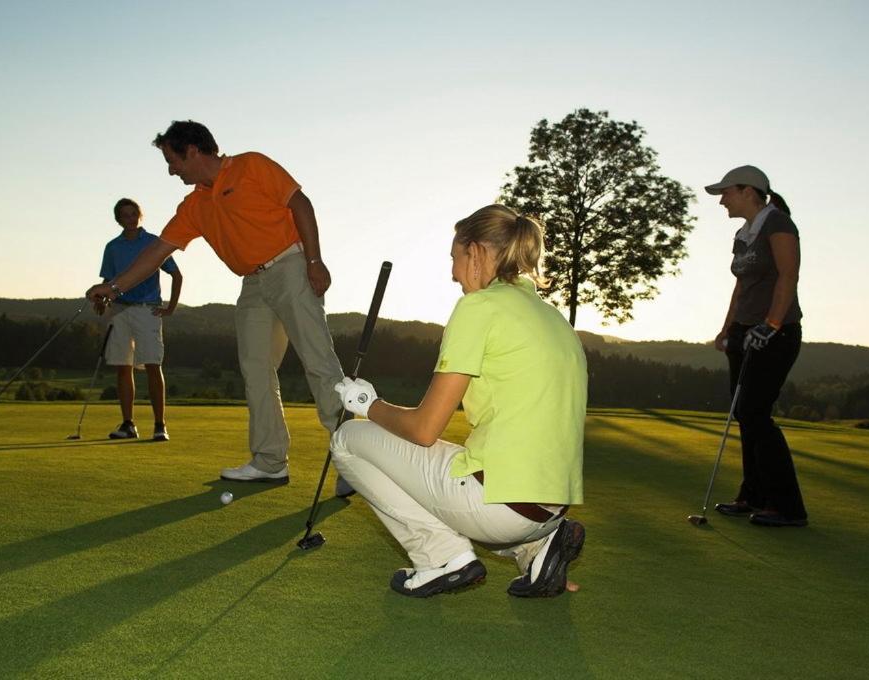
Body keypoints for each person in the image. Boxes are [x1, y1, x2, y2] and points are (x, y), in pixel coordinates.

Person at [330, 204, 587, 598]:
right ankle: (537, 548)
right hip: (550, 509)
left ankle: (441, 557)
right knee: (461, 459)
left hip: (500, 508)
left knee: (347, 438)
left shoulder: (479, 307)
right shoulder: (552, 317)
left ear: (476, 252)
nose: (452, 273)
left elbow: (423, 430)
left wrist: (368, 405)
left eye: (454, 257)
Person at [85, 121, 351, 495]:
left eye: (172, 159)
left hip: (291, 266)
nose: (171, 169)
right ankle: (269, 461)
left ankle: (355, 463)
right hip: (253, 284)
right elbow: (157, 252)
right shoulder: (194, 205)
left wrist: (314, 260)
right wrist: (112, 287)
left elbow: (299, 203)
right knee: (256, 369)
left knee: (319, 362)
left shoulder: (250, 165)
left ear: (193, 150)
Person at [706, 166, 808, 527]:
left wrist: (773, 323)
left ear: (749, 191)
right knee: (744, 414)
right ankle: (753, 496)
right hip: (745, 333)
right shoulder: (743, 234)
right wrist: (727, 328)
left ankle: (788, 507)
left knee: (756, 413)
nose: (722, 200)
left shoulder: (778, 223)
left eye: (727, 193)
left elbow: (788, 275)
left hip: (775, 334)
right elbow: (741, 287)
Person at [95, 198, 182, 441]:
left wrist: (171, 308)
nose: (130, 218)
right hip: (120, 310)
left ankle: (159, 425)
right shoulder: (112, 247)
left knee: (153, 365)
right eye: (125, 215)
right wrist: (100, 301)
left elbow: (176, 275)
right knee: (123, 367)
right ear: (118, 219)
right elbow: (108, 282)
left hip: (148, 310)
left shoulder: (154, 243)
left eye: (134, 214)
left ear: (139, 216)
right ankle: (128, 424)